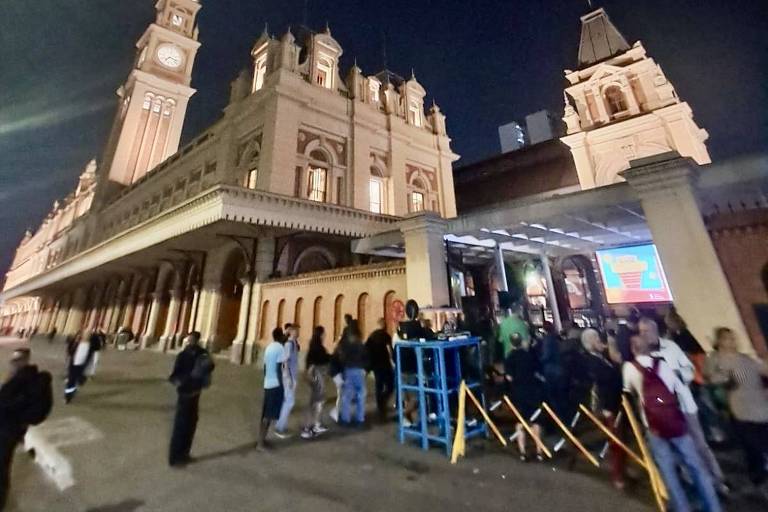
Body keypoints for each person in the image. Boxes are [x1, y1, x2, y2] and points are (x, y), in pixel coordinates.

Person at [623, 334, 721, 512]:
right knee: (695, 465)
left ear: (633, 349)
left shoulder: (629, 368)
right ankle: (713, 506)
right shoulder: (663, 365)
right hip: (676, 421)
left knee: (668, 470)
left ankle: (682, 507)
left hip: (653, 425)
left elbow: (627, 393)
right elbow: (677, 389)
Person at [639, 317, 728, 495]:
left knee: (700, 445)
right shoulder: (641, 355)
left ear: (655, 330)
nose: (645, 335)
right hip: (665, 411)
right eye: (642, 332)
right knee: (681, 449)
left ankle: (717, 481)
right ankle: (696, 481)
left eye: (648, 330)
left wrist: (678, 377)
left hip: (685, 406)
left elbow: (688, 368)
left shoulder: (671, 347)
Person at [705, 327, 768, 501]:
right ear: (720, 342)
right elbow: (712, 379)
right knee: (753, 448)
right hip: (742, 411)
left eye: (734, 338)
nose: (733, 342)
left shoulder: (745, 358)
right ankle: (759, 480)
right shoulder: (716, 360)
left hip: (762, 407)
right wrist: (727, 379)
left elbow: (762, 370)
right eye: (728, 339)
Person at [582, 329, 626, 489]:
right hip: (608, 405)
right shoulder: (591, 361)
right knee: (615, 440)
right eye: (597, 339)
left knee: (619, 438)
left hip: (616, 402)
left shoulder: (601, 357)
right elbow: (604, 380)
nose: (601, 341)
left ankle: (621, 471)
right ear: (591, 342)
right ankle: (618, 475)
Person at [168, 331, 213, 467]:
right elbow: (210, 367)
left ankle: (180, 455)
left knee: (186, 425)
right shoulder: (198, 354)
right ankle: (178, 456)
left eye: (191, 339)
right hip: (190, 393)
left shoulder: (188, 354)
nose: (190, 341)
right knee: (185, 425)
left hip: (189, 393)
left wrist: (181, 382)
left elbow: (174, 376)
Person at [504, 333, 545, 462]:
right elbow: (538, 371)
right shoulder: (529, 355)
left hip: (518, 392)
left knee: (520, 421)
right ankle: (539, 451)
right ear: (521, 342)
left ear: (511, 343)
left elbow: (509, 377)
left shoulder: (510, 358)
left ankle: (523, 452)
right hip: (533, 391)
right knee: (536, 421)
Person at [258, 328, 286, 450]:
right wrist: (281, 385)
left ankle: (262, 440)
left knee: (266, 414)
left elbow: (265, 367)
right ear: (280, 336)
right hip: (275, 384)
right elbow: (279, 368)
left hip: (268, 383)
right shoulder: (280, 348)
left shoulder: (269, 347)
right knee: (268, 416)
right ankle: (260, 444)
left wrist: (267, 379)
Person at [301, 326, 330, 439]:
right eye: (324, 334)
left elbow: (310, 361)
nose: (325, 335)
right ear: (321, 334)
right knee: (318, 401)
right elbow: (321, 360)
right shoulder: (318, 348)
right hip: (318, 376)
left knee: (315, 401)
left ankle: (312, 425)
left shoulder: (312, 346)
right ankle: (311, 427)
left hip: (314, 377)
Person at [338, 322, 368, 426]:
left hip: (349, 370)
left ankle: (345, 418)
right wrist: (365, 369)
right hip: (360, 370)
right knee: (361, 395)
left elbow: (342, 358)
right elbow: (366, 357)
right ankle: (360, 418)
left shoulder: (346, 345)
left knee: (347, 395)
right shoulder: (361, 344)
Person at [366, 318, 394, 421]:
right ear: (384, 325)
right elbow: (390, 350)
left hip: (376, 366)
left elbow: (367, 350)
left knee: (378, 386)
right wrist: (394, 360)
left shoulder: (371, 336)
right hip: (385, 364)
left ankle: (380, 406)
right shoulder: (386, 336)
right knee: (390, 385)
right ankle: (383, 401)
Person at [275, 324, 300, 438]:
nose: (299, 332)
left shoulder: (294, 343)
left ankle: (281, 425)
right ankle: (279, 428)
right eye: (297, 330)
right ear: (292, 332)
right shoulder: (289, 344)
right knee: (289, 401)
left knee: (287, 401)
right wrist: (288, 378)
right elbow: (284, 362)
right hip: (289, 378)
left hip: (292, 377)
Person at [64, 331, 96, 403]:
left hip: (81, 366)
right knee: (71, 381)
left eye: (87, 336)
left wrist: (88, 368)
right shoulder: (77, 343)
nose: (85, 337)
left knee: (74, 380)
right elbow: (71, 351)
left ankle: (70, 392)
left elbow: (90, 359)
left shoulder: (90, 346)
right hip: (73, 364)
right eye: (85, 335)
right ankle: (68, 396)